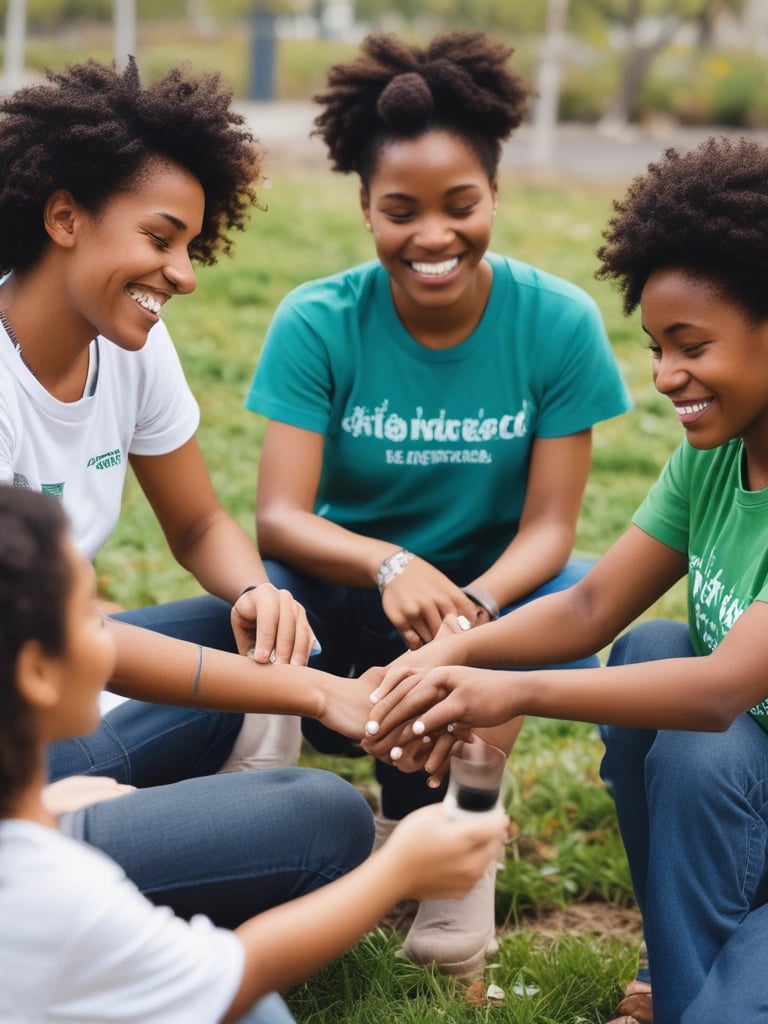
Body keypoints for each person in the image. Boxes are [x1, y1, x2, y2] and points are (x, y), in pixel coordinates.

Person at [244, 29, 631, 975]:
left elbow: (550, 530)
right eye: (399, 210)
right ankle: (262, 779)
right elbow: (281, 517)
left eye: (460, 206)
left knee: (557, 598)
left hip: (489, 598)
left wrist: (475, 616)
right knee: (268, 581)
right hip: (352, 592)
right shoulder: (317, 319)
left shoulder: (558, 323)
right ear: (365, 208)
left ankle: (461, 851)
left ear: (494, 196)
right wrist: (390, 563)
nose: (432, 236)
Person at [363, 135, 768, 1024]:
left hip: (745, 764)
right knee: (651, 649)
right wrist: (448, 657)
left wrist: (499, 689)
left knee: (694, 704)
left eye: (690, 346)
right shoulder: (716, 461)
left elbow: (723, 688)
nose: (666, 377)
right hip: (744, 776)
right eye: (657, 345)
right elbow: (589, 606)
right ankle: (677, 971)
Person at [0, 58, 378, 928]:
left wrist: (254, 591)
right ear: (65, 217)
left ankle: (121, 825)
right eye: (160, 239)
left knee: (238, 635)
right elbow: (70, 633)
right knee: (322, 819)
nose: (184, 273)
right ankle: (77, 843)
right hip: (18, 740)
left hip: (49, 677)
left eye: (191, 248)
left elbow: (201, 519)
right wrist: (312, 693)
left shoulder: (130, 345)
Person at [0, 484, 509, 1024]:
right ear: (37, 673)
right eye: (94, 618)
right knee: (261, 1010)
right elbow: (229, 978)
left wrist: (53, 807)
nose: (117, 629)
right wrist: (399, 872)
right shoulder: (57, 895)